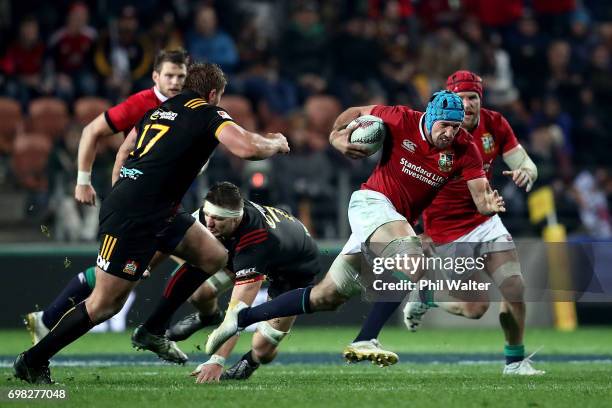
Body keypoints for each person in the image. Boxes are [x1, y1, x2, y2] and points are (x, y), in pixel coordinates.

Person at [14, 62, 289, 384]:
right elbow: (246, 147)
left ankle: (153, 330)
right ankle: (33, 360)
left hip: (155, 206)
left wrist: (124, 186)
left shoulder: (160, 110)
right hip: (136, 214)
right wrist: (276, 144)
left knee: (213, 255)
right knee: (104, 304)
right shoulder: (208, 112)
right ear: (213, 93)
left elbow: (126, 150)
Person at [205, 90, 506, 363]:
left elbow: (480, 196)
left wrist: (487, 204)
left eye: (455, 127)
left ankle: (242, 318)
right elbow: (356, 111)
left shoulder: (466, 149)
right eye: (444, 125)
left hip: (392, 221)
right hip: (371, 203)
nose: (449, 133)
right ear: (429, 116)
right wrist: (337, 137)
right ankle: (366, 339)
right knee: (411, 256)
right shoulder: (400, 118)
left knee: (326, 296)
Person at [24, 49, 190, 345]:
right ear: (155, 76)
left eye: (181, 76)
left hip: (163, 205)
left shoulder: (189, 105)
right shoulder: (141, 104)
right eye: (169, 75)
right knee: (113, 282)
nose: (176, 81)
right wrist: (83, 181)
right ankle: (48, 324)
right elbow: (91, 131)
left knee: (189, 258)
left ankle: (169, 327)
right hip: (134, 206)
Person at [402, 70, 543, 375]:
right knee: (475, 309)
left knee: (515, 287)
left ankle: (515, 362)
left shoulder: (495, 124)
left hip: (486, 220)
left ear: (481, 99)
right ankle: (428, 298)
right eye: (460, 98)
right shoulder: (434, 128)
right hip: (448, 231)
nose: (466, 104)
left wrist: (525, 173)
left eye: (472, 97)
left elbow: (525, 163)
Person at [132, 181, 320, 382]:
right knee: (199, 293)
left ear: (235, 219)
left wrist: (217, 360)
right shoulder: (210, 214)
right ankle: (209, 317)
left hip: (293, 270)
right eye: (208, 215)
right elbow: (173, 240)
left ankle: (252, 361)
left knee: (262, 348)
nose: (210, 223)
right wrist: (147, 265)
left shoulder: (255, 240)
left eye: (218, 219)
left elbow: (238, 312)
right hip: (251, 248)